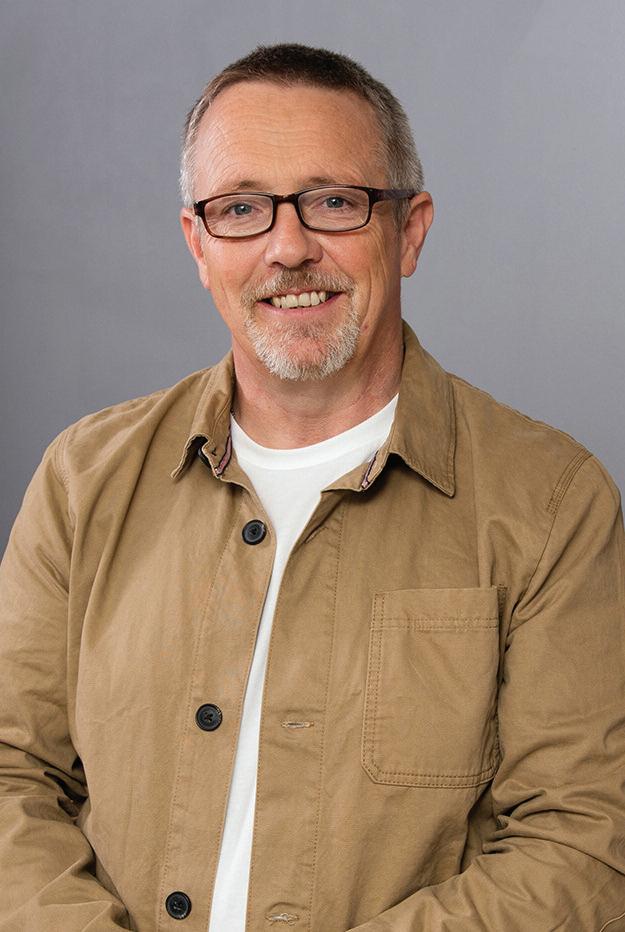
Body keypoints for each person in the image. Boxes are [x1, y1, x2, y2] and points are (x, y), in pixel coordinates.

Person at [0, 42, 624, 932]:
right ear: (198, 244)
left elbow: (582, 845)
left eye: (333, 201)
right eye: (240, 208)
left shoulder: (552, 503)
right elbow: (12, 775)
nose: (288, 248)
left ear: (408, 231)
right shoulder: (82, 480)